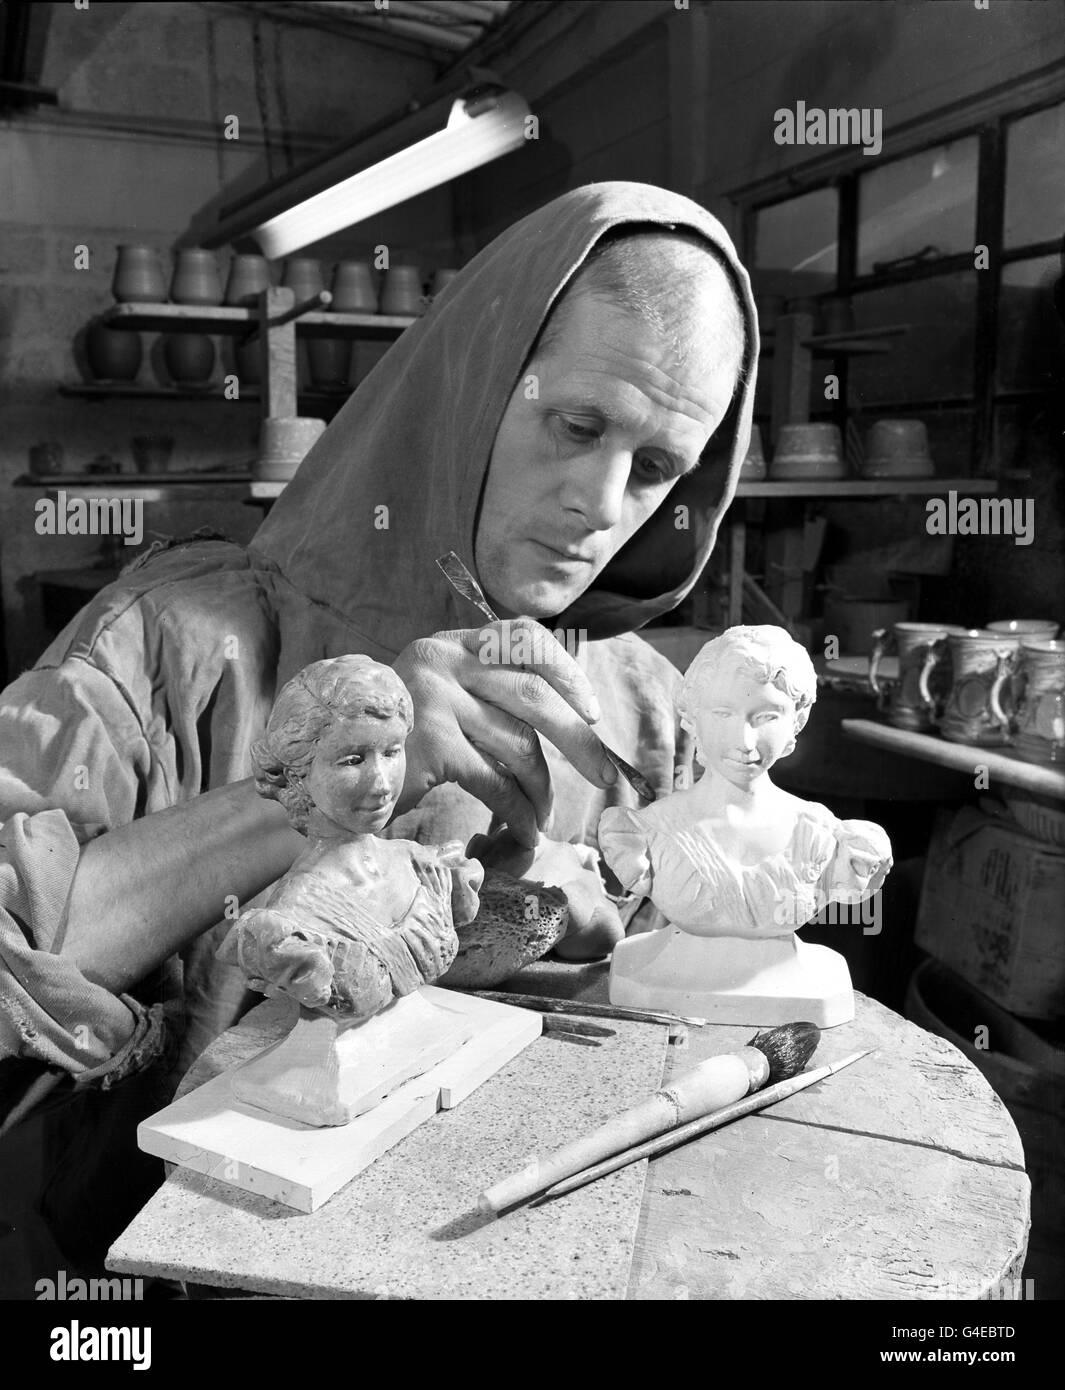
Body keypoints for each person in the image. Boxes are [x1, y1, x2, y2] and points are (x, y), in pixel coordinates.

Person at [0, 182, 759, 1133]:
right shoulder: (175, 645)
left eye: (655, 470)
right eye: (576, 427)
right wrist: (331, 764)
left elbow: (690, 1055)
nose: (604, 507)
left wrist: (603, 965)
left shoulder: (643, 711)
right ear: (472, 384)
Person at [220, 655, 483, 1019]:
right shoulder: (293, 919)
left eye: (392, 752)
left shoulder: (424, 865)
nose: (381, 783)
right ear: (299, 774)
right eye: (352, 760)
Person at [599, 626, 893, 936]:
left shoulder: (824, 837)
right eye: (724, 714)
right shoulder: (644, 833)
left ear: (797, 721)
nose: (745, 742)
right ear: (693, 717)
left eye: (767, 717)